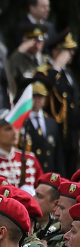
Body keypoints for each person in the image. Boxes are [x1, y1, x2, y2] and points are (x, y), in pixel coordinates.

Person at [41, 29, 80, 175]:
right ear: (56, 52)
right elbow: (43, 87)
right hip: (56, 133)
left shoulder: (68, 74)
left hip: (71, 135)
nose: (72, 54)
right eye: (68, 51)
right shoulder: (48, 72)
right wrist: (56, 67)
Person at [22, 77, 64, 174]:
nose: (37, 100)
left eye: (40, 96)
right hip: (30, 173)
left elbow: (58, 154)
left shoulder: (52, 123)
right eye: (34, 96)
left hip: (48, 173)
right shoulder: (23, 121)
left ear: (45, 99)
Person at [7, 23, 47, 90]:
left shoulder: (46, 61)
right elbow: (7, 77)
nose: (37, 46)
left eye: (40, 42)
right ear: (25, 42)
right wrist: (20, 50)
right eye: (34, 43)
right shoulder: (18, 59)